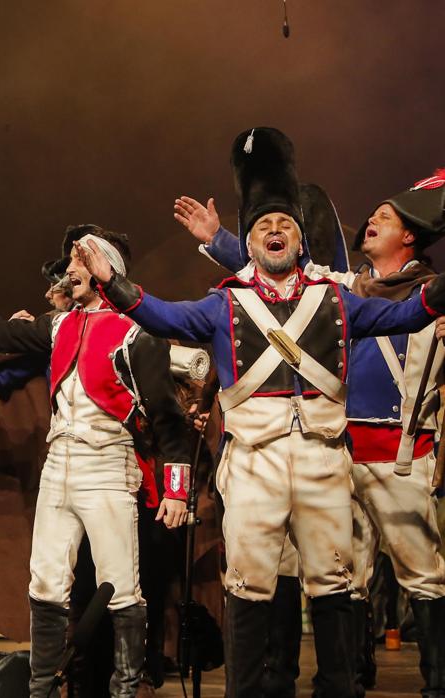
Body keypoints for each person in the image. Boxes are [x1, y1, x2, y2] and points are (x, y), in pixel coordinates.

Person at [74, 127, 445, 697]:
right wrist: (112, 281)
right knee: (249, 586)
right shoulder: (223, 302)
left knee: (334, 585)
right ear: (248, 243)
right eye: (263, 226)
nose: (275, 231)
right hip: (252, 466)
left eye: (286, 225)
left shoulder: (339, 298)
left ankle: (339, 689)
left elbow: (412, 312)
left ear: (301, 241)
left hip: (323, 465)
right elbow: (162, 317)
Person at [180, 165, 445, 695]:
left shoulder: (430, 295)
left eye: (384, 219)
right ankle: (344, 678)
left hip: (401, 452)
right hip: (339, 451)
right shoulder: (340, 288)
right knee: (342, 577)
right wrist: (220, 240)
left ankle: (438, 684)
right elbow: (272, 274)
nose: (370, 222)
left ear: (410, 234)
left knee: (423, 574)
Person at [0, 224, 193, 698]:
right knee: (46, 581)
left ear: (104, 272)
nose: (69, 271)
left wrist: (175, 488)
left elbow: (169, 420)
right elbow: (0, 331)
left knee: (121, 585)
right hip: (58, 466)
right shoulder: (60, 324)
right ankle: (42, 688)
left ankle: (126, 688)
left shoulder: (137, 335)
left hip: (107, 466)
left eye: (79, 264)